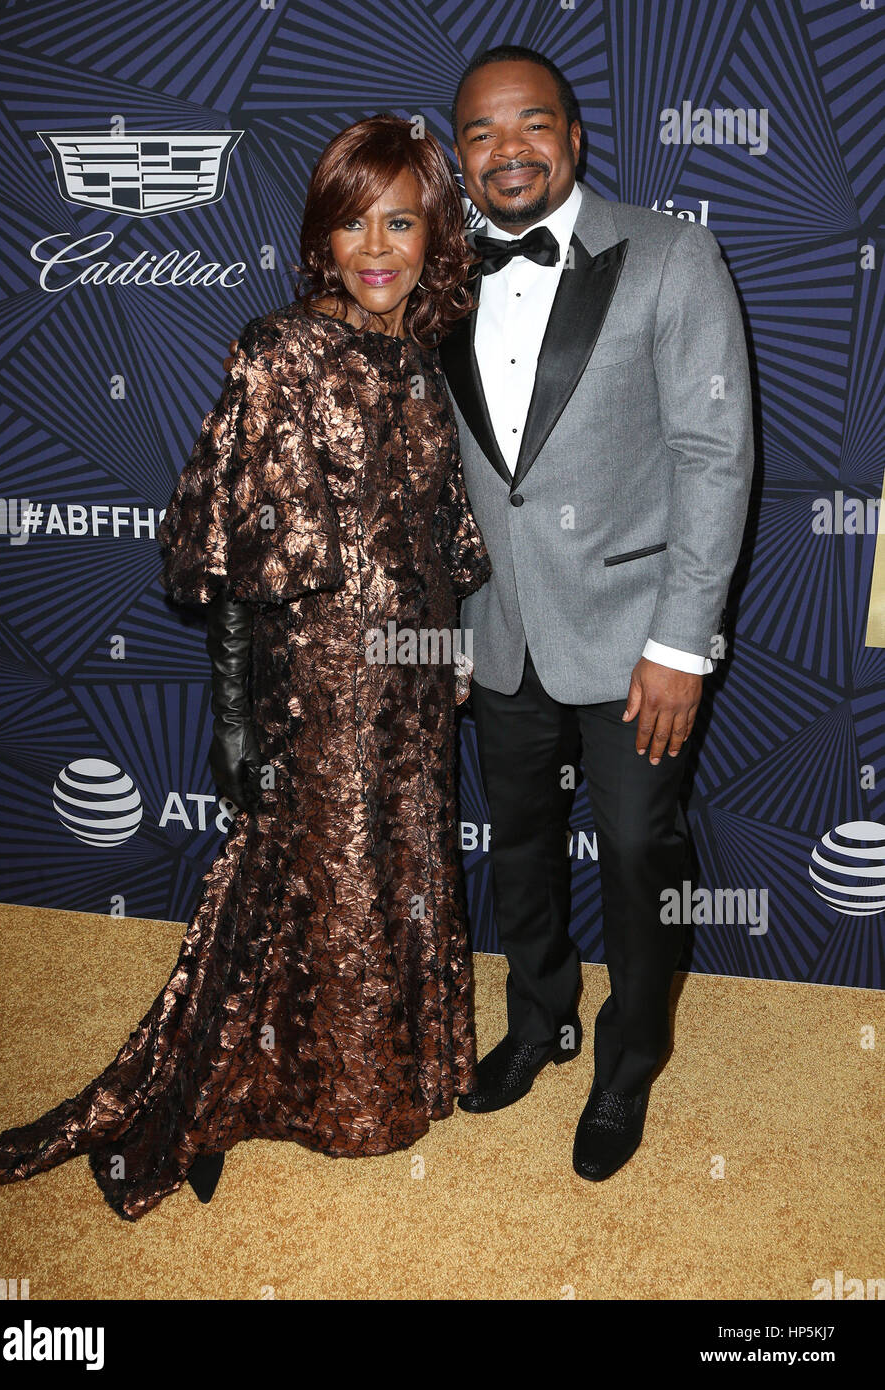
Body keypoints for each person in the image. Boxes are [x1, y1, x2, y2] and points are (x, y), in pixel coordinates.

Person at [0, 115, 491, 1222]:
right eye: (350, 223)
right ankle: (299, 1092)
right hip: (320, 685)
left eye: (399, 221)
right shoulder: (277, 350)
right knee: (314, 885)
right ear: (319, 236)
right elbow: (234, 561)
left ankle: (391, 1074)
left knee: (400, 875)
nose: (376, 247)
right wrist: (242, 727)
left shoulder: (414, 353)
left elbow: (437, 535)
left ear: (434, 232)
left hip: (410, 683)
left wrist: (445, 659)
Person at [440, 46, 754, 1180]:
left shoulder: (670, 256)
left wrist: (680, 643)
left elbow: (713, 457)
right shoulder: (436, 271)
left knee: (634, 850)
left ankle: (626, 1064)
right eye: (480, 132)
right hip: (498, 629)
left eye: (531, 125)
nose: (507, 149)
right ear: (457, 154)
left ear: (572, 139)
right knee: (516, 844)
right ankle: (541, 1021)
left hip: (637, 637)